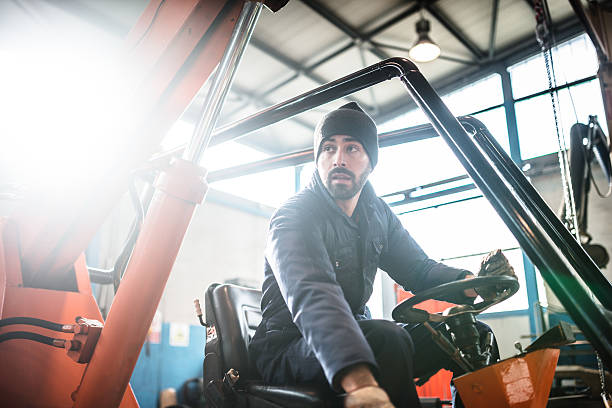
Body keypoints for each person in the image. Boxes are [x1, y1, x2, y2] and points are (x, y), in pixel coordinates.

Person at [248, 102, 516, 407]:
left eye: (352, 149)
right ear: (318, 158)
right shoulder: (295, 216)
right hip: (290, 347)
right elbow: (313, 297)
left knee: (471, 333)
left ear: (370, 162)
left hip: (355, 338)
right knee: (386, 337)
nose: (338, 160)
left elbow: (418, 269)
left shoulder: (376, 214)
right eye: (328, 149)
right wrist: (361, 384)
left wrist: (473, 283)